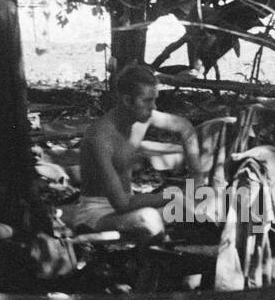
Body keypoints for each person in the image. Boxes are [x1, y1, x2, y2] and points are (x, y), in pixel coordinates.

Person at [60, 65, 208, 240]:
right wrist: (174, 195)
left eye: (155, 100)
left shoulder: (144, 117)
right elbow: (122, 204)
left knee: (206, 206)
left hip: (130, 205)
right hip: (97, 213)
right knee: (149, 219)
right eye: (147, 100)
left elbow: (185, 127)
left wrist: (197, 176)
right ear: (127, 101)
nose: (153, 107)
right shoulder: (99, 137)